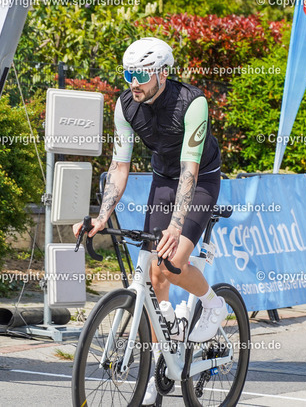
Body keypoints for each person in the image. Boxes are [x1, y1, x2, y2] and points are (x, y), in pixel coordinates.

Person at [73, 37, 226, 405]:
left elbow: (190, 170)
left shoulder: (192, 102)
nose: (133, 82)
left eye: (141, 75)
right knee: (153, 276)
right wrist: (102, 216)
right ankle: (159, 363)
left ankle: (213, 304)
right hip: (162, 179)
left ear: (162, 73)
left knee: (172, 262)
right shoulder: (125, 106)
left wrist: (176, 225)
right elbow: (119, 166)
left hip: (201, 179)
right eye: (128, 74)